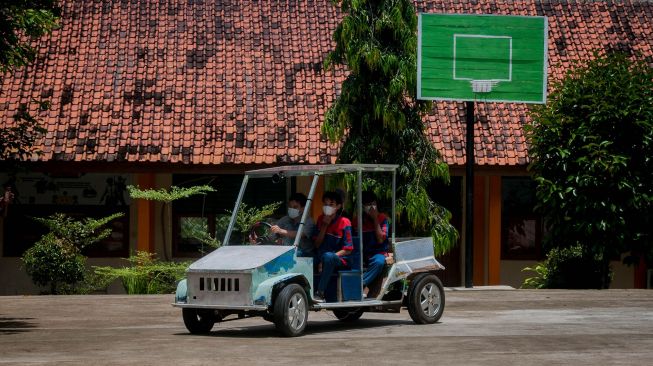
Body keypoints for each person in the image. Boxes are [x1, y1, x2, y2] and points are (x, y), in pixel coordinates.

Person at [312, 191, 354, 302]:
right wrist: (325, 226)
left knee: (328, 257)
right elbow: (317, 244)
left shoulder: (345, 222)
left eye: (331, 205)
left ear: (338, 206)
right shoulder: (321, 219)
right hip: (322, 256)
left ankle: (320, 292)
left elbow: (348, 249)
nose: (327, 207)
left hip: (341, 259)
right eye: (325, 204)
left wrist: (326, 259)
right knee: (306, 258)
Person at [354, 191, 394, 294]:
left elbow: (381, 239)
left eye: (373, 204)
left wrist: (375, 219)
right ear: (362, 206)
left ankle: (360, 283)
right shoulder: (357, 220)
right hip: (362, 255)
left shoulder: (382, 219)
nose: (371, 207)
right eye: (368, 204)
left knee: (379, 262)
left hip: (378, 254)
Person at [269, 192, 315, 257]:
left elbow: (301, 234)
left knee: (294, 254)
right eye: (290, 207)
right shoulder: (284, 220)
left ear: (303, 208)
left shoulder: (309, 221)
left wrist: (281, 231)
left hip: (304, 255)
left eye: (295, 207)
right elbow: (272, 236)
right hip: (286, 253)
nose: (292, 209)